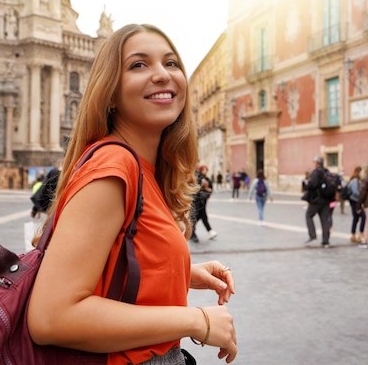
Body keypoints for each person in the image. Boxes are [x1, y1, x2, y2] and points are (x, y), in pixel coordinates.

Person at [26, 23, 237, 365]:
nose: (162, 75)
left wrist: (181, 269)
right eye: (139, 65)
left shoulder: (142, 169)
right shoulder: (114, 166)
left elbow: (121, 262)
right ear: (110, 93)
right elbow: (52, 317)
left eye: (171, 63)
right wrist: (198, 320)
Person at [304, 156, 331, 248]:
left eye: (314, 162)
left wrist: (307, 183)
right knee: (324, 220)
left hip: (316, 200)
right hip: (326, 199)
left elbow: (312, 185)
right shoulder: (327, 171)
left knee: (309, 215)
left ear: (317, 163)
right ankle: (326, 241)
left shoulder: (316, 172)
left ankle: (312, 235)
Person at [190, 165, 218, 242]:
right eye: (204, 169)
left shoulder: (207, 179)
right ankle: (208, 231)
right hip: (197, 201)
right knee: (200, 217)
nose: (205, 171)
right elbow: (195, 188)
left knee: (198, 217)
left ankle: (192, 233)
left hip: (203, 201)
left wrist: (208, 190)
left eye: (206, 169)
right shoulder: (197, 177)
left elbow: (210, 188)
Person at [347, 166, 365, 243]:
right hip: (355, 201)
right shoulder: (355, 181)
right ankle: (360, 234)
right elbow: (355, 192)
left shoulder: (357, 180)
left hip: (355, 201)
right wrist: (362, 197)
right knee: (363, 216)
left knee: (356, 218)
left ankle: (353, 235)